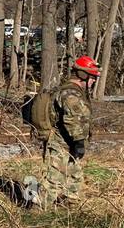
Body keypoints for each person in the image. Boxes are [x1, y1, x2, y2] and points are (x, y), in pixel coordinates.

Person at [40, 55, 96, 206]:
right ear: (83, 75)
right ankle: (38, 208)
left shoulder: (72, 92)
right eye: (92, 77)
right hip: (60, 142)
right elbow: (73, 119)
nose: (94, 81)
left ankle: (70, 204)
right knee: (53, 179)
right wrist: (79, 141)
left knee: (74, 175)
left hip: (68, 142)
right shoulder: (70, 94)